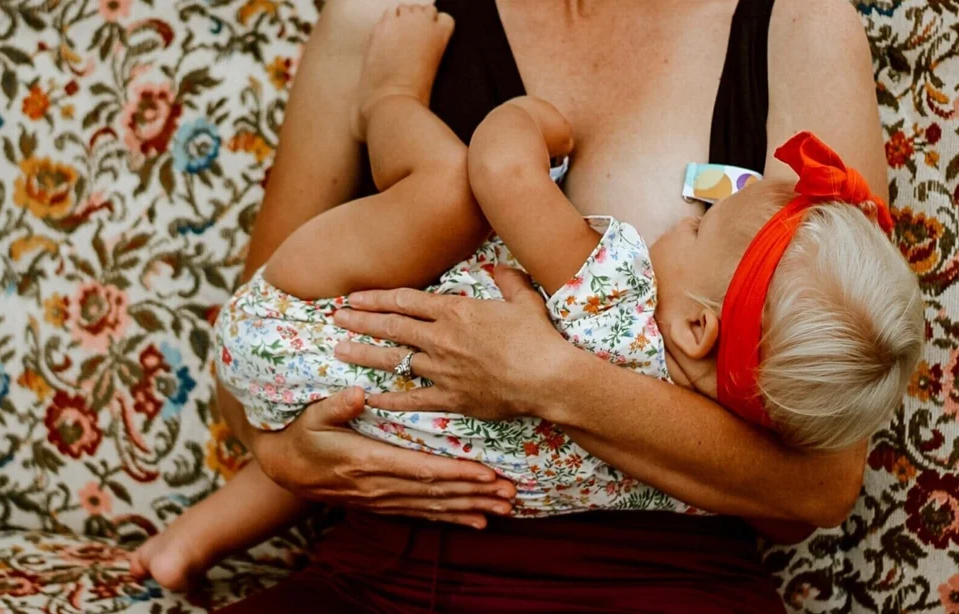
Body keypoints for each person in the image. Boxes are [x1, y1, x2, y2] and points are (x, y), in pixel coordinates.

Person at [129, 6, 921, 594]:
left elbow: (818, 486)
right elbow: (254, 343)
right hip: (381, 563)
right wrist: (287, 455)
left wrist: (546, 379)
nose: (698, 221)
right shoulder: (379, 15)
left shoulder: (796, 22)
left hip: (652, 578)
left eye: (703, 217)